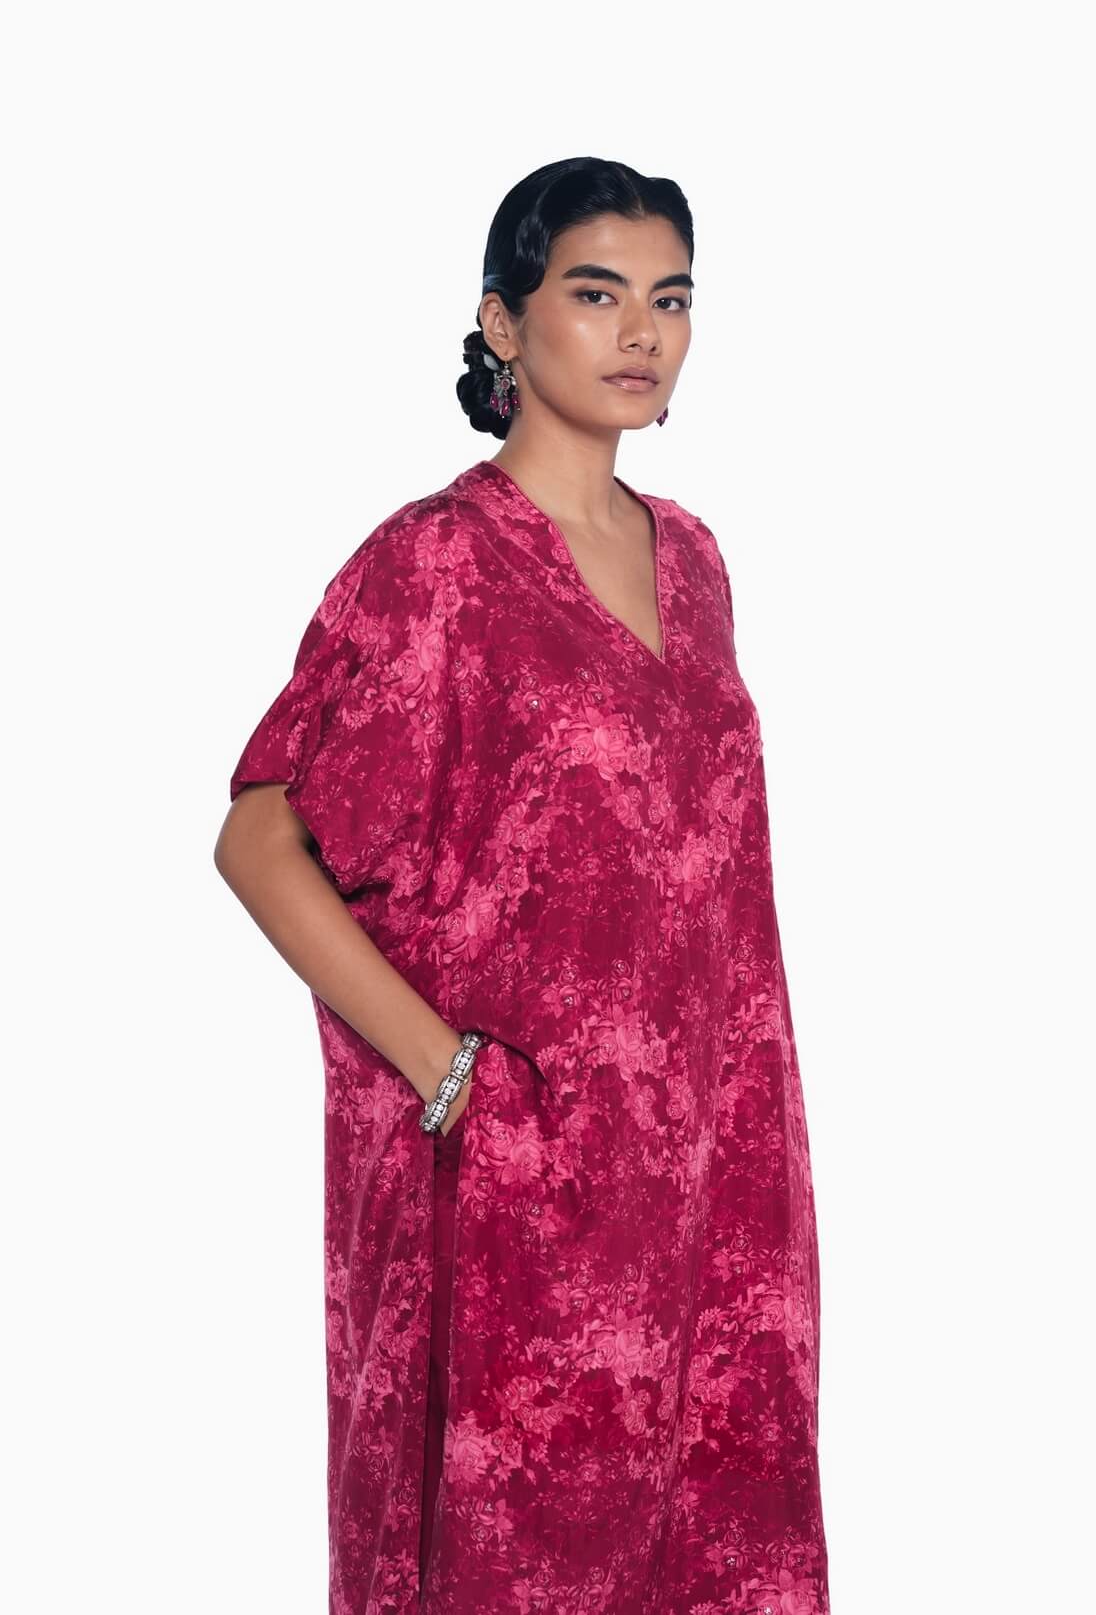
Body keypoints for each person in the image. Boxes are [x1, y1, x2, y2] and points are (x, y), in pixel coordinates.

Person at [214, 156, 830, 1615]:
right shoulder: (435, 563)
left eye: (671, 299)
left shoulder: (695, 559)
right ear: (503, 321)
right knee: (524, 1550)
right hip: (519, 1174)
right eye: (596, 294)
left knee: (716, 1526)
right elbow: (259, 835)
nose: (642, 333)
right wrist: (450, 1079)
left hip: (715, 1163)